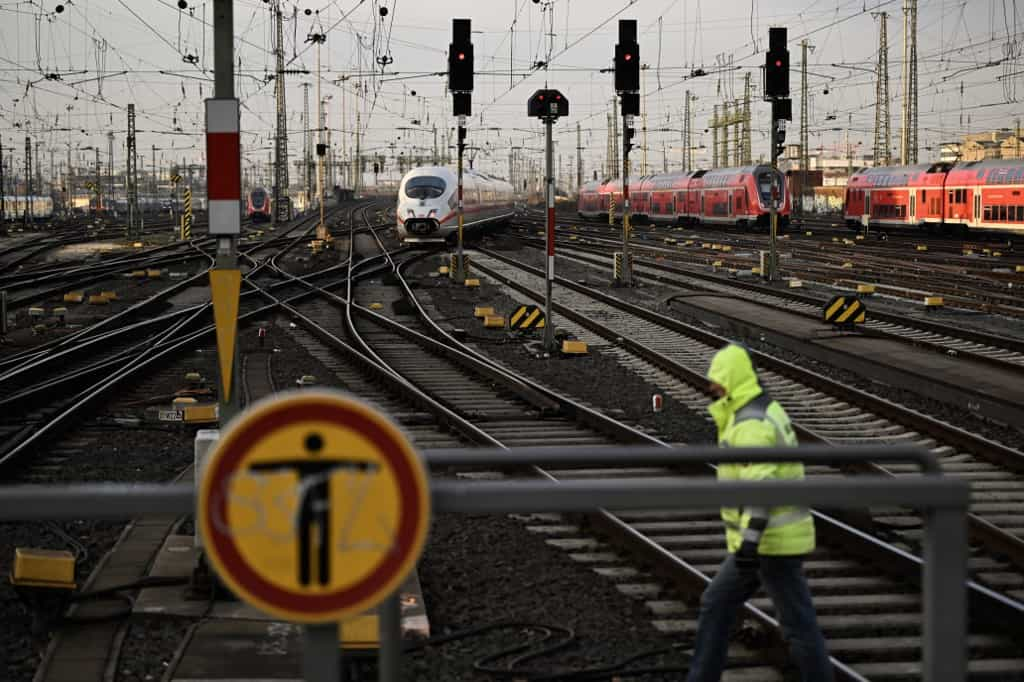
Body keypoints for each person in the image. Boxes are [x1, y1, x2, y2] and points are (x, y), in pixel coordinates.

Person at [686, 344, 833, 682]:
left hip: (770, 543)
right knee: (721, 604)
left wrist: (750, 542)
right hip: (768, 540)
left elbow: (761, 485)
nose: (712, 387)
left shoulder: (751, 423)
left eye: (718, 379)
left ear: (732, 378)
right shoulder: (760, 409)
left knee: (793, 623)